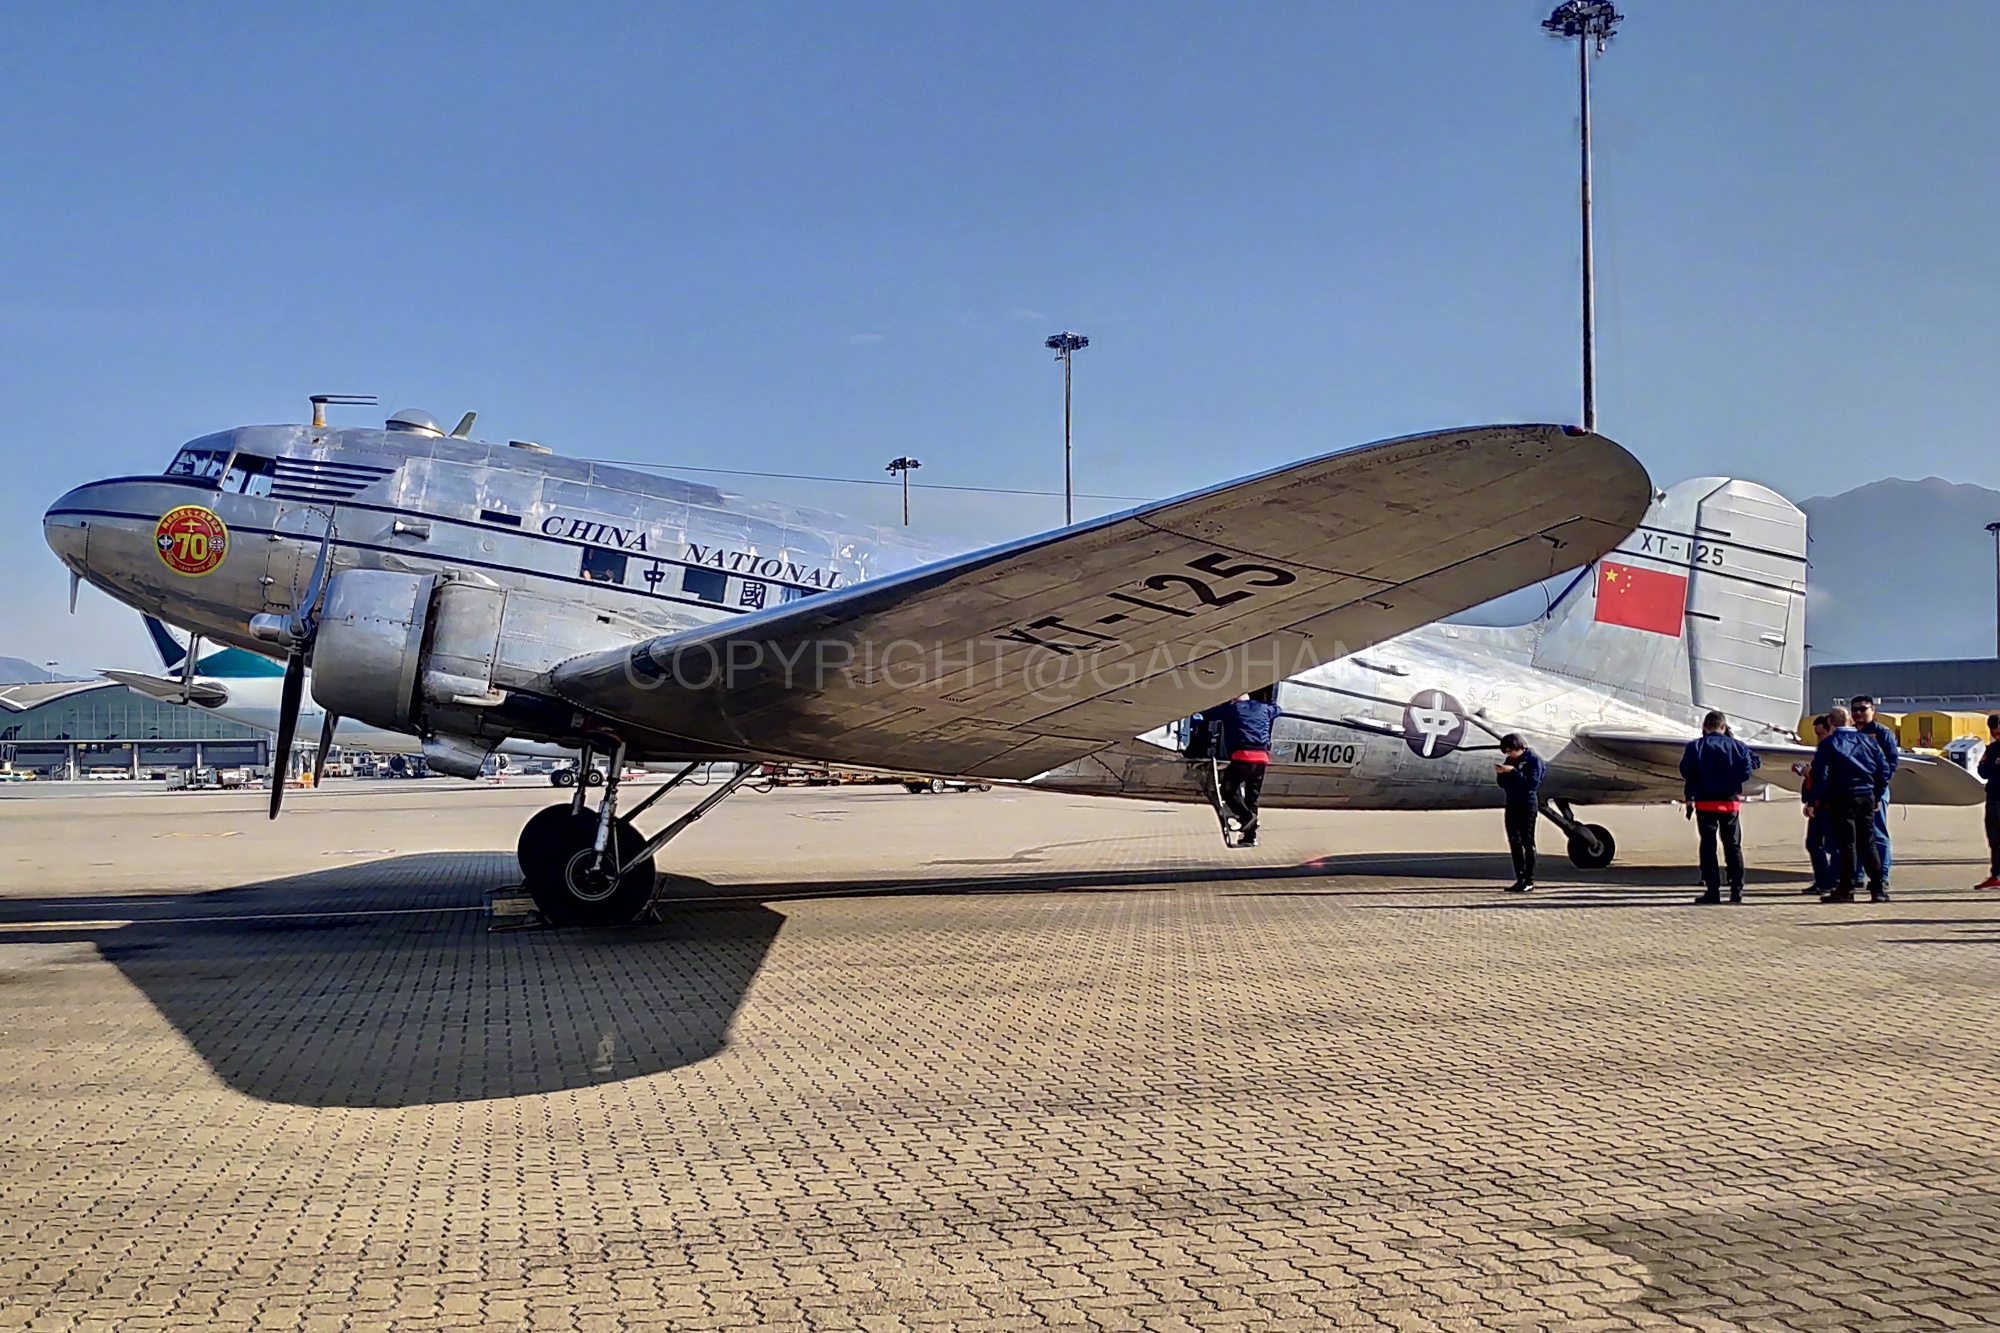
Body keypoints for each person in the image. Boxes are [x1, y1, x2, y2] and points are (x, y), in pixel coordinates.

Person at [1809, 704, 1892, 903]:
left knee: (1847, 844)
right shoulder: (1868, 741)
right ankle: (1878, 887)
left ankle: (1846, 888)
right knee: (1868, 841)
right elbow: (1884, 770)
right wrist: (1877, 795)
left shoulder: (1829, 744)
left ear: (1830, 722)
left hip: (1842, 796)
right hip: (1866, 795)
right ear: (1850, 720)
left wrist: (1814, 800)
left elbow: (1822, 775)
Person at [1679, 711, 1762, 904]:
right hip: (1729, 802)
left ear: (1705, 728)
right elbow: (1747, 771)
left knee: (1708, 847)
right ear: (1723, 727)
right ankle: (1736, 890)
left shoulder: (1695, 747)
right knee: (1733, 847)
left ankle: (1713, 891)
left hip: (1705, 803)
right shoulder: (1738, 746)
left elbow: (1685, 771)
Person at [1207, 691, 1281, 847]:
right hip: (1261, 759)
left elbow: (1209, 713)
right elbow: (1278, 709)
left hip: (1243, 756)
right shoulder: (1264, 709)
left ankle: (1247, 817)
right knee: (1251, 797)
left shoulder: (1233, 708)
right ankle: (1250, 836)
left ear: (1234, 699)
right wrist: (1269, 700)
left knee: (1228, 790)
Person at [1850, 696, 1900, 888]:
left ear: (1873, 710)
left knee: (1878, 834)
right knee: (1857, 834)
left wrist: (1879, 791)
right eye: (1854, 710)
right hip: (1856, 789)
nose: (1858, 713)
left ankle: (1882, 876)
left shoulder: (1882, 733)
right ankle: (1858, 875)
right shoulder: (1851, 733)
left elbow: (1892, 763)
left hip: (1875, 789)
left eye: (1863, 709)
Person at [1495, 734, 1546, 892]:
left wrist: (1513, 773)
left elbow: (1531, 784)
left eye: (1510, 750)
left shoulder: (1533, 760)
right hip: (1512, 803)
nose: (1509, 754)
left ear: (1519, 747)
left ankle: (1529, 879)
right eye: (1506, 752)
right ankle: (1519, 878)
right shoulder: (1510, 761)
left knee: (1527, 841)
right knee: (1514, 841)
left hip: (1527, 804)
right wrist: (1502, 773)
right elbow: (1503, 783)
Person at [1793, 715, 1837, 895]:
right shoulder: (1823, 749)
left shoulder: (1831, 748)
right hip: (1819, 805)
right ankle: (1823, 880)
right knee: (1814, 844)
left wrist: (1808, 773)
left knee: (1832, 846)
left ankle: (1831, 881)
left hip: (1827, 805)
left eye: (1820, 733)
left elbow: (1823, 778)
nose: (1818, 737)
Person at [1977, 714, 2000, 890]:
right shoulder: (1992, 749)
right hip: (1993, 797)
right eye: (1995, 733)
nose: (1997, 736)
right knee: (1994, 838)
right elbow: (1982, 771)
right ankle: (1996, 874)